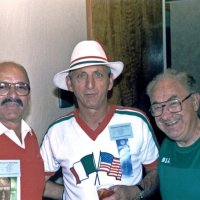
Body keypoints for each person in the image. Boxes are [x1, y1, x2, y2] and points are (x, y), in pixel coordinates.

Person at [41, 40, 159, 200]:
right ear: (70, 84)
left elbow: (158, 170)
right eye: (81, 75)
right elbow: (35, 181)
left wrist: (135, 191)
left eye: (98, 74)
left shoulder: (137, 122)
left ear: (110, 81)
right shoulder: (57, 132)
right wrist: (68, 194)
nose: (90, 85)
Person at [146, 69, 200, 200]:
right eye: (157, 107)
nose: (165, 115)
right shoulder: (167, 145)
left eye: (174, 103)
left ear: (195, 101)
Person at [0, 62, 45, 199]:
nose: (13, 95)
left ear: (29, 98)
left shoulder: (29, 135)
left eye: (21, 87)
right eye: (3, 87)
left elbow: (24, 186)